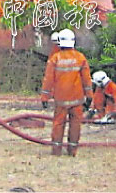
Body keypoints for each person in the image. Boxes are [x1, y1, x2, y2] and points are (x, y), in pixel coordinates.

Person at [40, 28, 93, 157]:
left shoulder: (55, 58)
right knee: (75, 125)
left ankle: (56, 151)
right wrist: (89, 97)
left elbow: (48, 79)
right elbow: (86, 79)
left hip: (61, 99)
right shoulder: (80, 58)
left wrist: (45, 97)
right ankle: (72, 150)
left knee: (58, 124)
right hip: (77, 99)